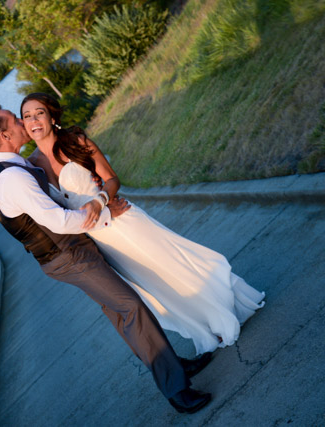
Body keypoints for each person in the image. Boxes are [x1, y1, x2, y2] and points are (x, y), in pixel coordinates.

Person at [0, 103, 212, 414]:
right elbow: (58, 220)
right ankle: (177, 390)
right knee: (130, 307)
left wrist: (96, 204)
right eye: (15, 120)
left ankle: (173, 365)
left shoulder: (3, 171)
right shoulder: (11, 178)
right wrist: (102, 214)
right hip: (68, 255)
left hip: (68, 253)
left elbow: (56, 200)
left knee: (118, 311)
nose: (23, 122)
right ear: (6, 134)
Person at [20, 92, 266, 355]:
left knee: (170, 263)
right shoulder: (31, 168)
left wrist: (100, 201)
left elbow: (112, 179)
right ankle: (204, 329)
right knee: (153, 286)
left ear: (52, 116)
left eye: (39, 113)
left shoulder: (76, 141)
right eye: (27, 116)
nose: (34, 120)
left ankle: (223, 311)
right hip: (98, 241)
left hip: (124, 222)